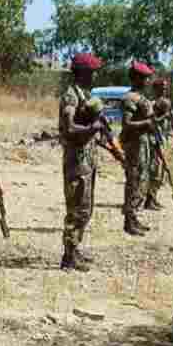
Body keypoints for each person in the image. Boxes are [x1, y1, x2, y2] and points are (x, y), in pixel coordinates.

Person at [58, 53, 104, 271]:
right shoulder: (71, 97)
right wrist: (90, 129)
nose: (95, 75)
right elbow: (68, 128)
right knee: (76, 208)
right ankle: (68, 256)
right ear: (83, 73)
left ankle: (75, 249)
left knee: (85, 208)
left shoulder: (83, 95)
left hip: (87, 160)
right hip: (76, 161)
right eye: (93, 71)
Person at [120, 61, 155, 236]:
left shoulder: (142, 97)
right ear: (137, 78)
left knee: (142, 180)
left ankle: (134, 217)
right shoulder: (130, 98)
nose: (148, 81)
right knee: (133, 181)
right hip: (134, 145)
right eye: (145, 77)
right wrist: (146, 123)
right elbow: (126, 124)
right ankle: (129, 220)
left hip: (143, 143)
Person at [144, 78, 173, 211]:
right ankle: (149, 199)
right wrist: (164, 115)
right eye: (162, 87)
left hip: (163, 139)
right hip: (154, 139)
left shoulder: (166, 102)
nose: (165, 89)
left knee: (161, 170)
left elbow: (170, 122)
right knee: (155, 169)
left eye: (166, 87)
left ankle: (153, 197)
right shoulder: (152, 103)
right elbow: (153, 121)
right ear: (156, 88)